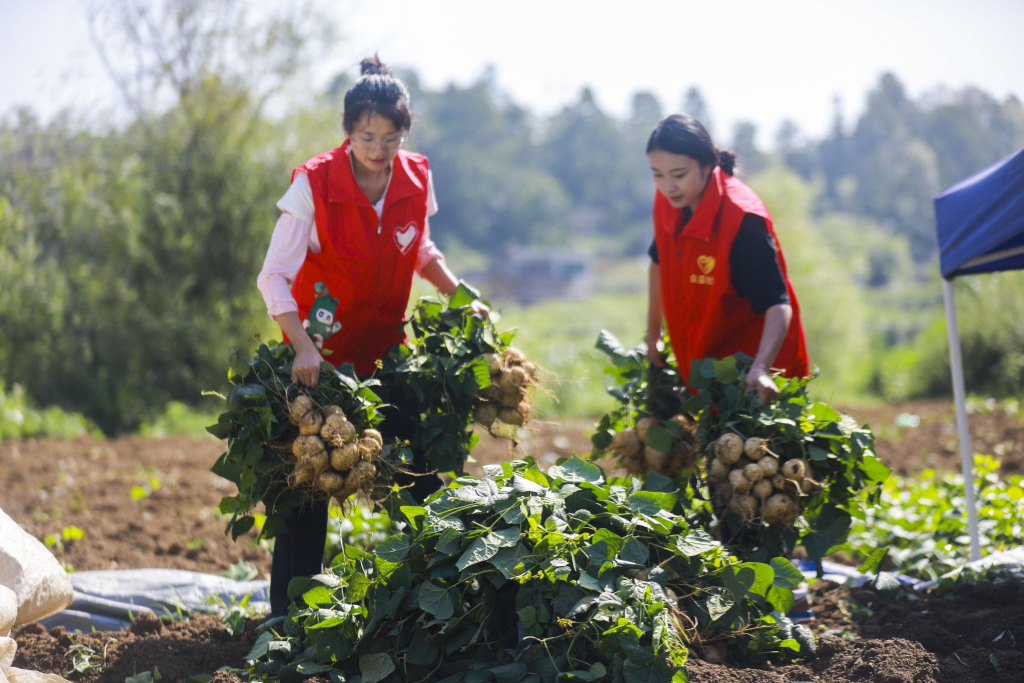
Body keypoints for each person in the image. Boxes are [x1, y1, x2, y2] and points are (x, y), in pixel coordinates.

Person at [256, 56, 488, 617]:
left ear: (404, 133)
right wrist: (304, 348)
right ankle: (289, 623)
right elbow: (273, 277)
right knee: (305, 491)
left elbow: (421, 249)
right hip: (321, 364)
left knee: (420, 476)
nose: (378, 149)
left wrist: (462, 295)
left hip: (388, 356)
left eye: (390, 138)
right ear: (347, 129)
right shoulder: (314, 184)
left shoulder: (415, 178)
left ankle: (435, 610)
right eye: (366, 137)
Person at [644, 114, 809, 404]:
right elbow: (659, 263)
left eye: (679, 175)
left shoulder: (742, 219)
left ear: (708, 165)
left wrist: (760, 367)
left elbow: (777, 304)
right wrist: (654, 332)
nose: (668, 186)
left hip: (753, 374)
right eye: (657, 175)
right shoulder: (668, 202)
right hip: (703, 362)